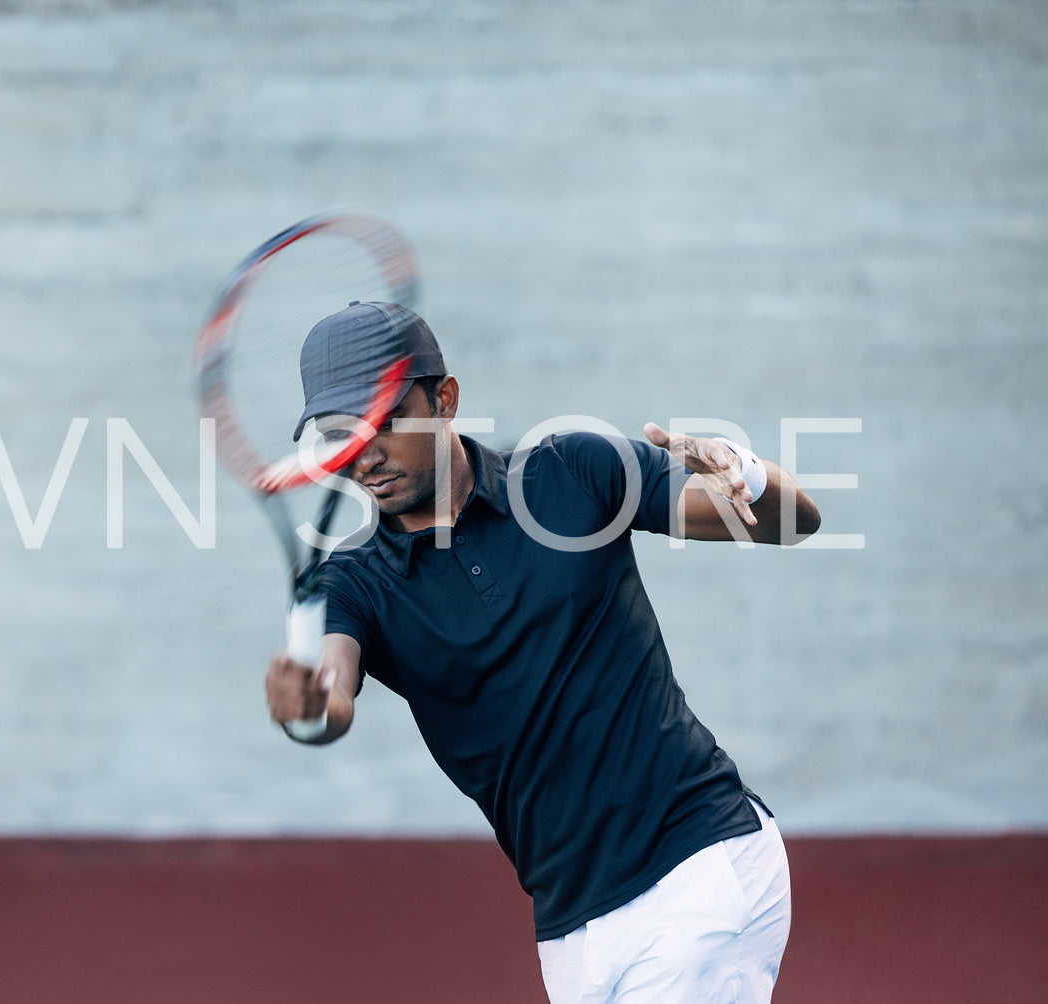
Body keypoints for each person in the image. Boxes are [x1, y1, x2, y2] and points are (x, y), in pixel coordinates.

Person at [264, 301, 821, 1004]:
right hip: (571, 930)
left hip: (697, 865)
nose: (363, 453)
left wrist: (745, 474)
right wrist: (308, 711)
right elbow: (331, 695)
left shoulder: (573, 475)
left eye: (385, 421)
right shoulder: (355, 585)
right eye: (338, 434)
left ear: (445, 400)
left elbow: (791, 522)